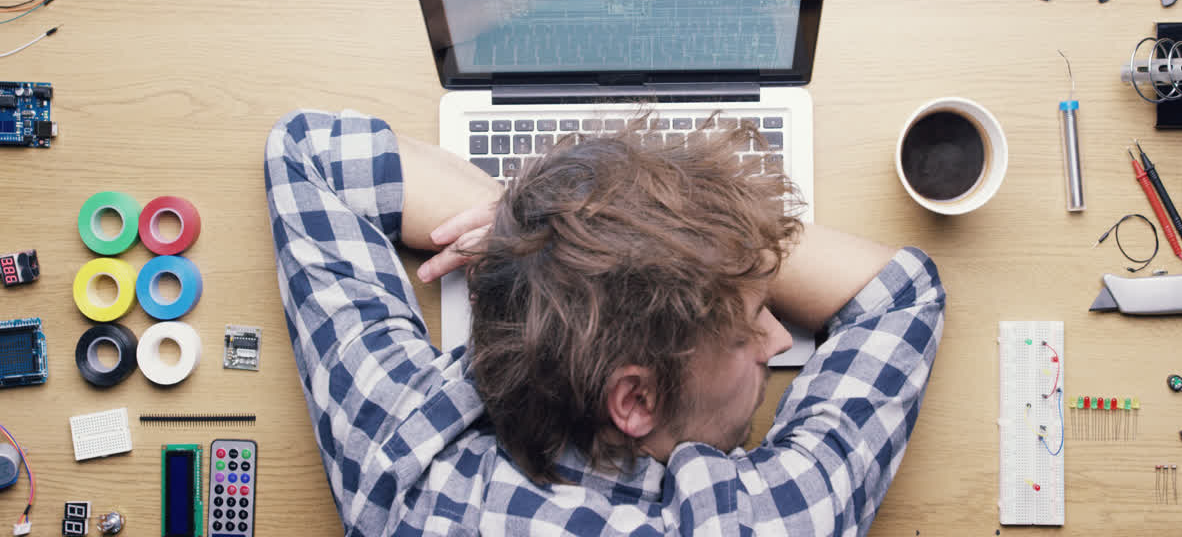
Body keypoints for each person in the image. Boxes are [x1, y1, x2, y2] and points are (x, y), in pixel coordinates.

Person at [264, 108, 945, 537]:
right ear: (636, 400)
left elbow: (310, 153)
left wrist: (549, 234)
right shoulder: (767, 520)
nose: (777, 338)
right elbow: (901, 294)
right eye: (745, 330)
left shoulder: (403, 465)